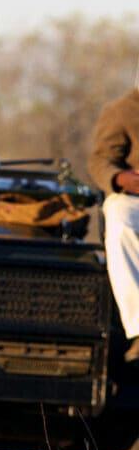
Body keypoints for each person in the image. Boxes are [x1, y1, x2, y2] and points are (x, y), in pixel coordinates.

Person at [87, 85, 139, 361]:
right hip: (134, 199)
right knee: (120, 220)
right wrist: (121, 179)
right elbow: (100, 160)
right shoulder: (121, 111)